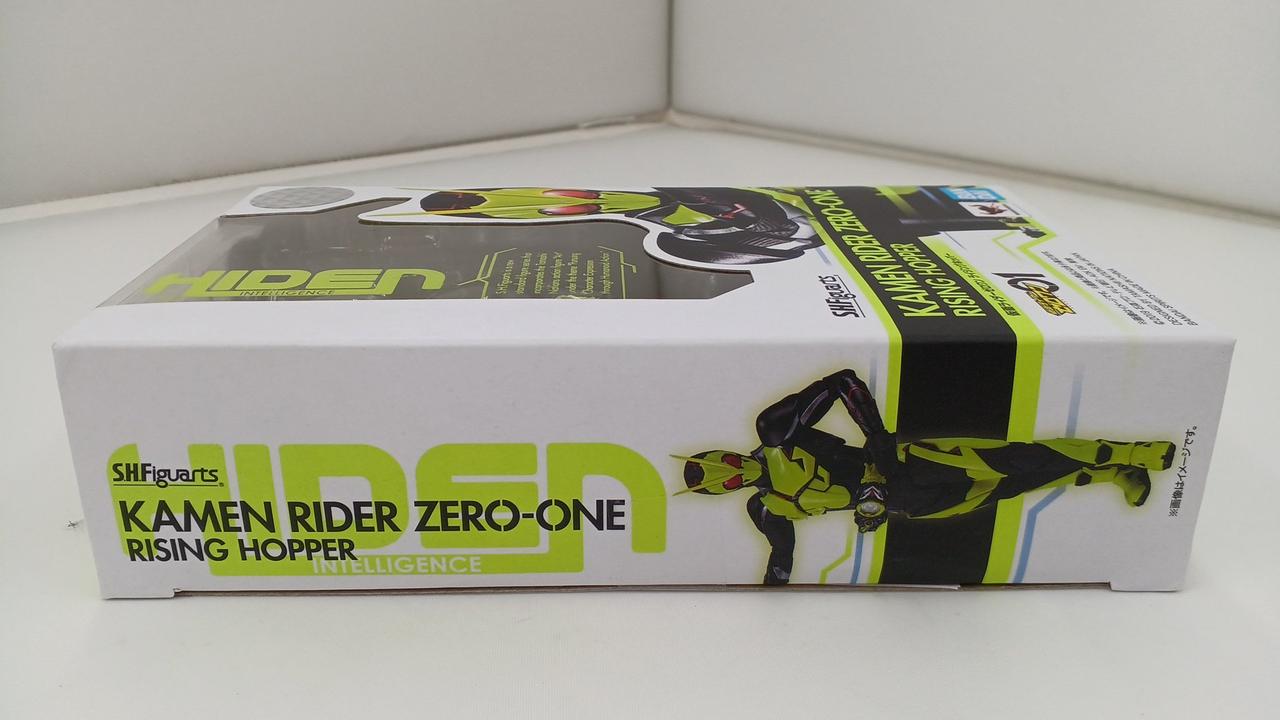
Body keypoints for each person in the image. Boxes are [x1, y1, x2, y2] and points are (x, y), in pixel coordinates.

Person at [675, 369, 1175, 585]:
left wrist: (877, 437)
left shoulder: (774, 431)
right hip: (908, 505)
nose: (734, 473)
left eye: (727, 465)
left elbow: (843, 381)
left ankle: (1134, 452)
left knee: (1024, 460)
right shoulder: (766, 509)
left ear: (725, 452)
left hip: (914, 463)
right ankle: (1115, 473)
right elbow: (781, 560)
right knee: (1021, 484)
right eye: (726, 482)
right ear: (724, 493)